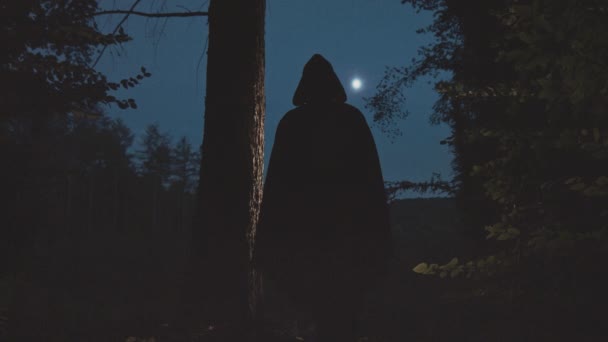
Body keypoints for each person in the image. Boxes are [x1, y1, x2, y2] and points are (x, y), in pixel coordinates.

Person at [254, 54, 391, 342]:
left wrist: (267, 244)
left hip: (310, 237)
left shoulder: (293, 123)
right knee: (340, 314)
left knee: (323, 312)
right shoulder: (351, 119)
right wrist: (378, 238)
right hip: (344, 236)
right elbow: (371, 183)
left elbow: (278, 185)